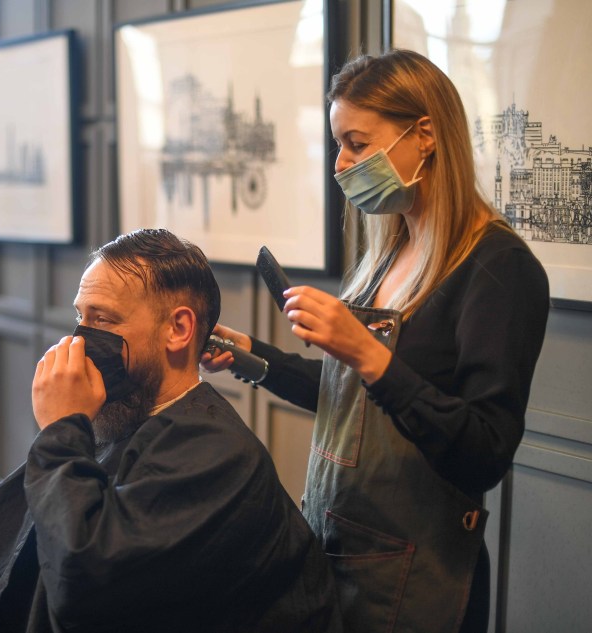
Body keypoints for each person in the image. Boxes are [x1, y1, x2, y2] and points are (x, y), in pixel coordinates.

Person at [202, 50, 550, 633]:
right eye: (339, 144)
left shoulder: (498, 269)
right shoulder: (386, 253)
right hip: (338, 547)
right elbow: (358, 405)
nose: (341, 163)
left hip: (420, 578)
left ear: (426, 135)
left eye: (357, 144)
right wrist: (255, 360)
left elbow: (485, 451)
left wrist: (365, 352)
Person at [0, 229, 341, 633]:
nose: (79, 339)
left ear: (178, 329)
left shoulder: (214, 455)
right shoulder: (130, 420)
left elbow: (84, 585)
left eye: (103, 319)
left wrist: (64, 427)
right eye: (80, 317)